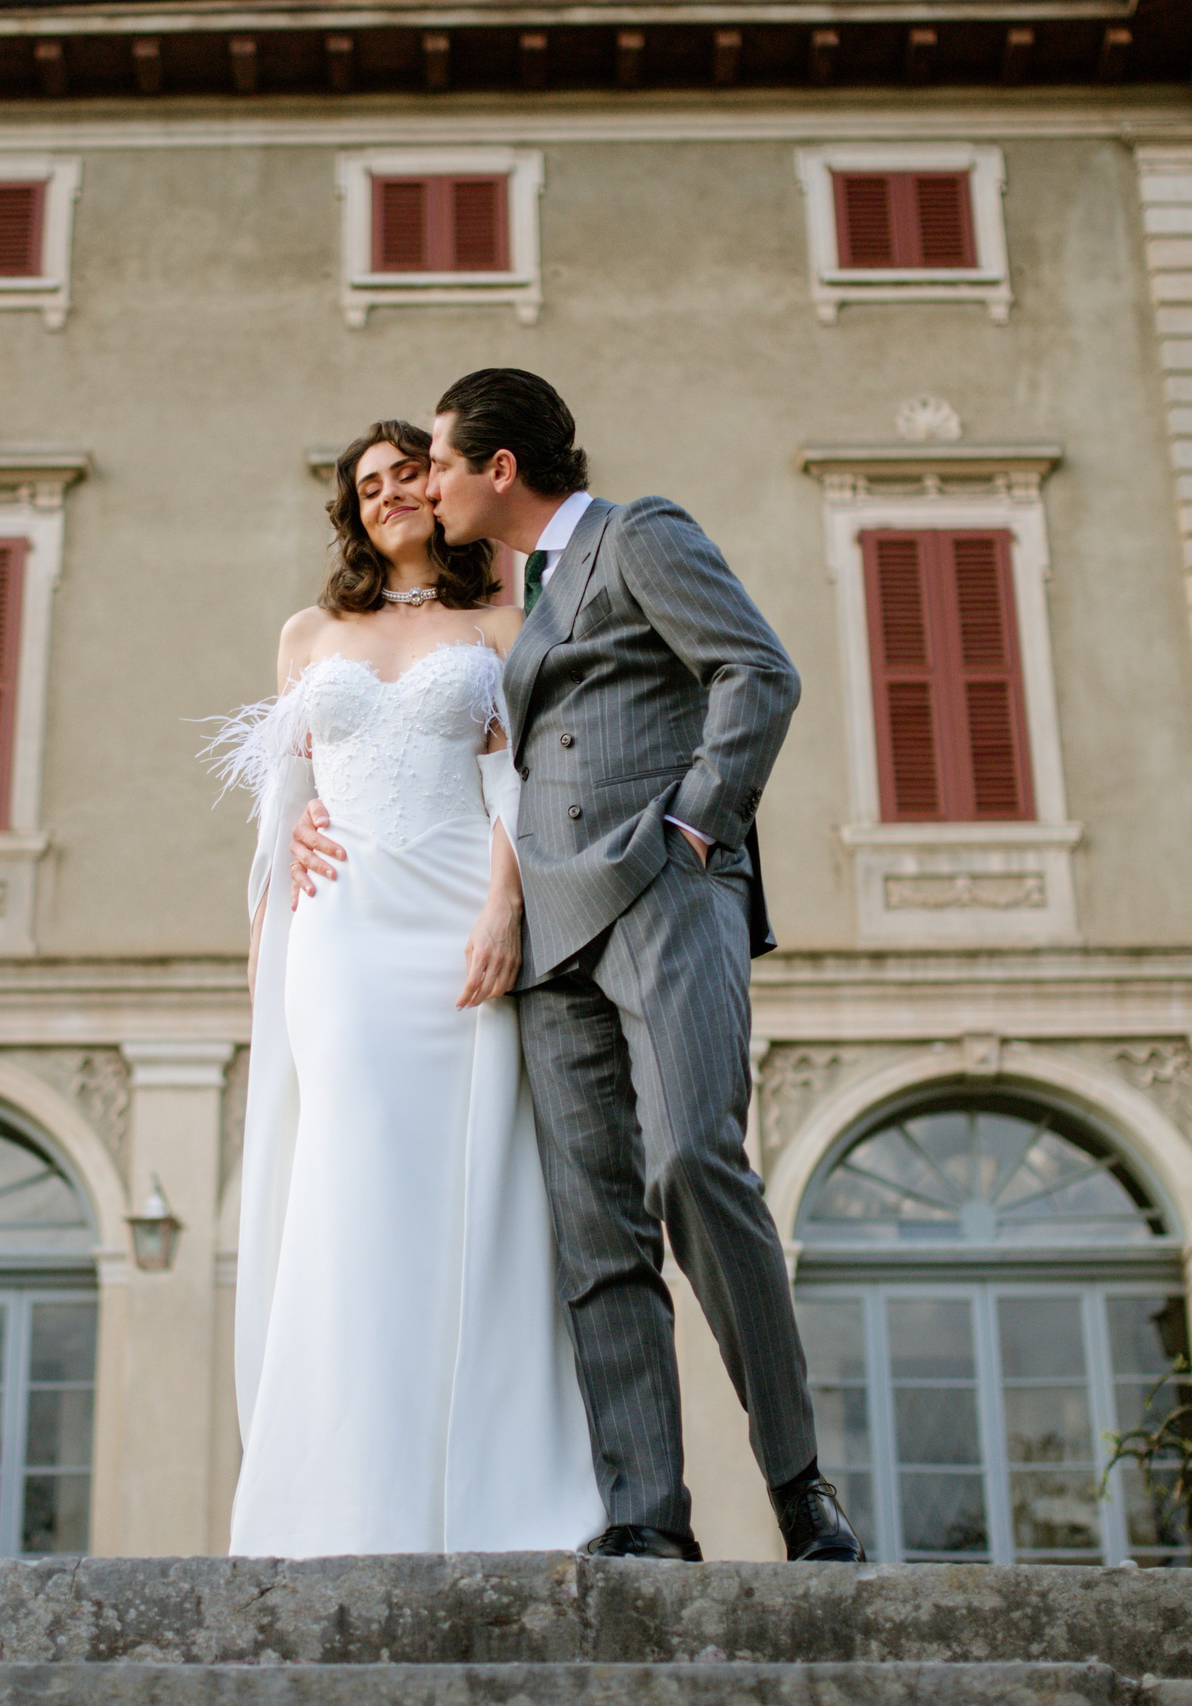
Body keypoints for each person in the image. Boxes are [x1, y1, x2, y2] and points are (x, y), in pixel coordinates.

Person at [293, 370, 863, 1563]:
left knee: (694, 1161)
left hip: (661, 896)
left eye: (439, 462)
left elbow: (758, 672)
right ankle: (647, 1513)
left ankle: (800, 1485)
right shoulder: (512, 598)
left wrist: (697, 827)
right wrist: (314, 805)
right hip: (547, 945)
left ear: (498, 468)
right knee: (595, 1232)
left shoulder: (637, 535)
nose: (424, 486)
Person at [215, 418, 603, 1556]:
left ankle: (477, 1486)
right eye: (369, 483)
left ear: (441, 491)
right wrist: (269, 950)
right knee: (350, 1173)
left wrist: (505, 910)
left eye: (408, 474)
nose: (390, 492)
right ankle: (342, 1493)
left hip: (459, 916)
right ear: (353, 509)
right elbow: (284, 805)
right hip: (339, 935)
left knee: (470, 1181)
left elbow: (522, 785)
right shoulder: (306, 634)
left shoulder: (504, 626)